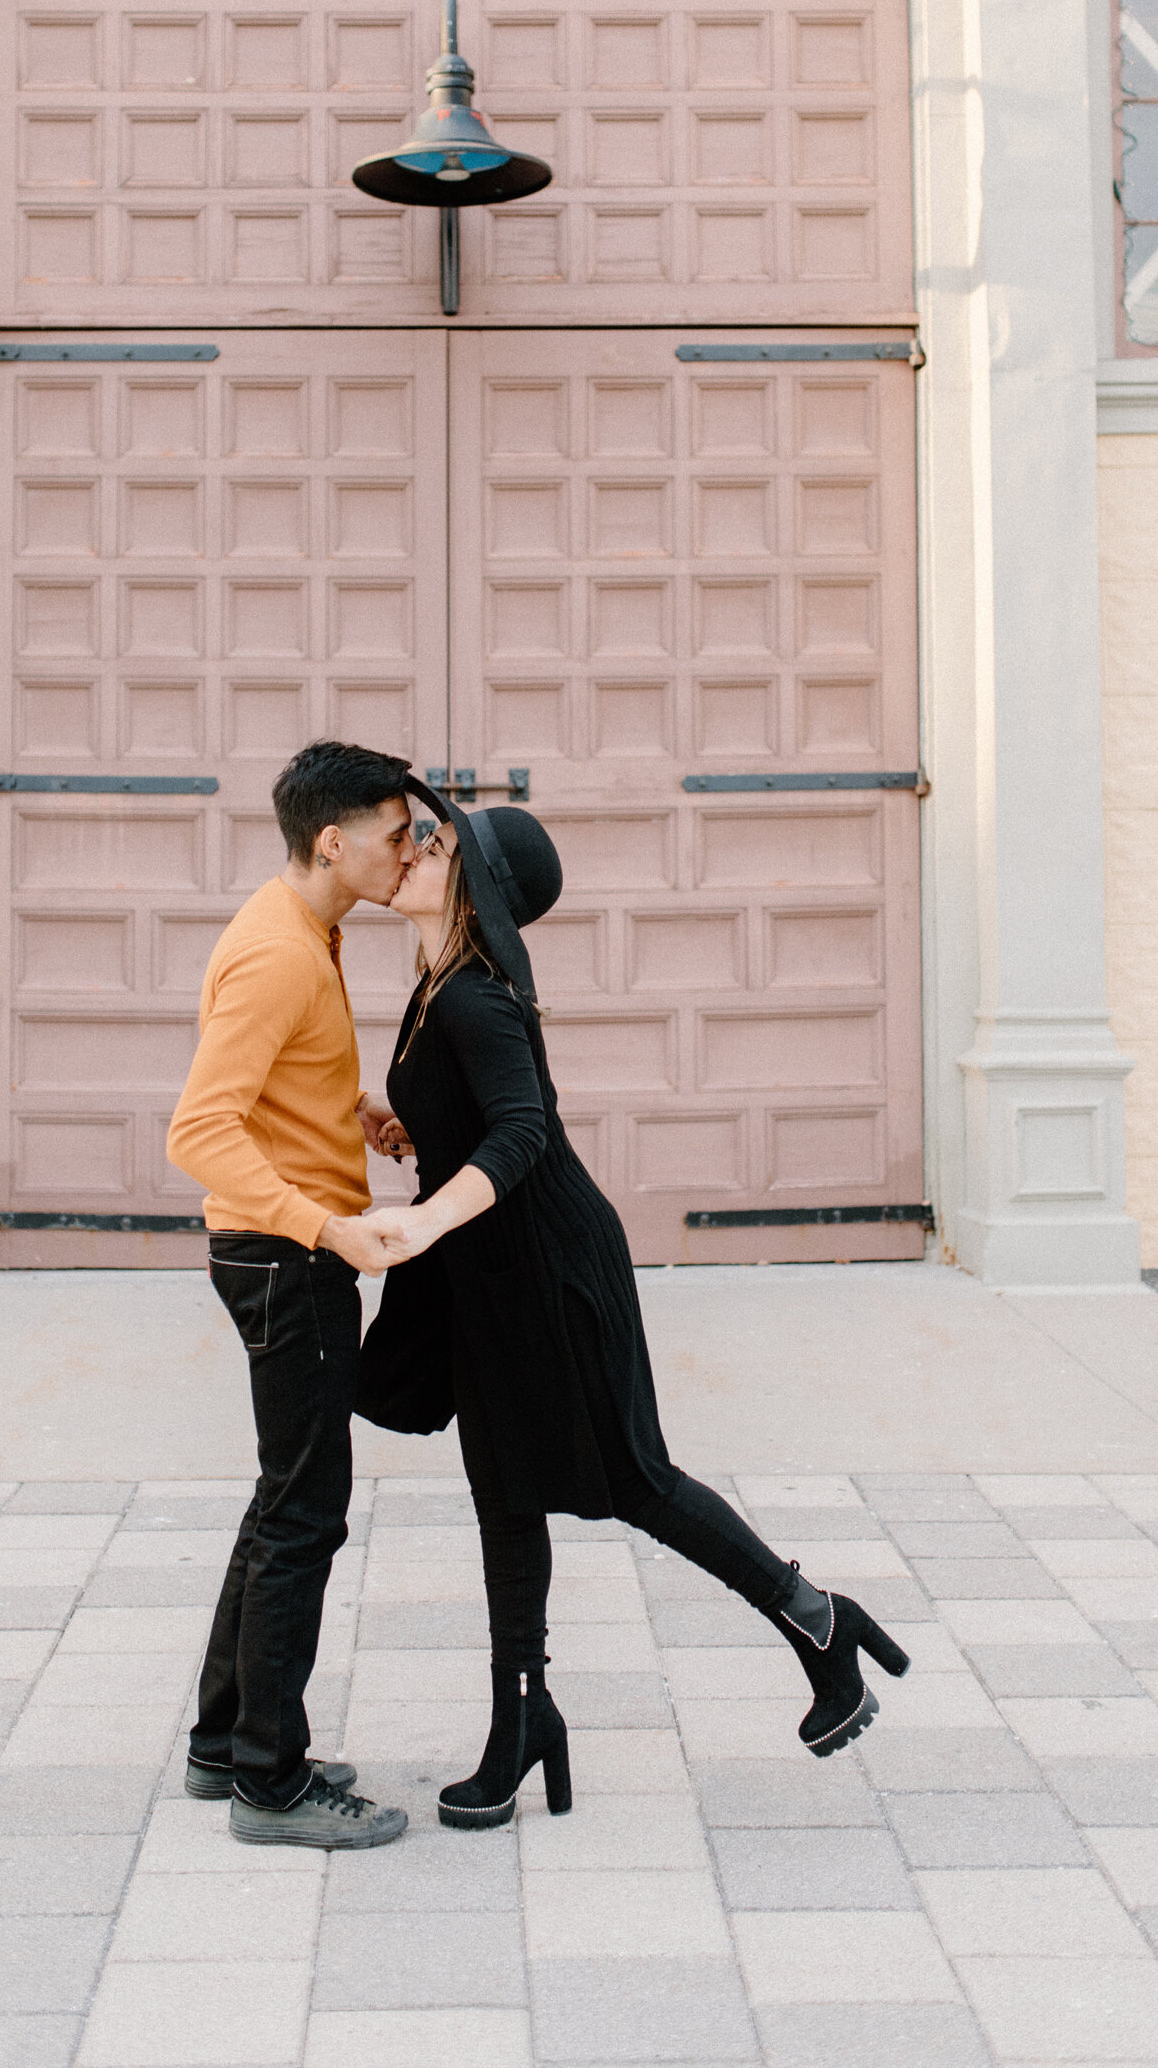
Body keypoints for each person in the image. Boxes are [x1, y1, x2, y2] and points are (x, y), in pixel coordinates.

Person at [363, 785, 910, 1831]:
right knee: (505, 1487)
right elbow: (476, 1121)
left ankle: (817, 1620)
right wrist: (407, 1131)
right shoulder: (439, 982)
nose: (411, 848)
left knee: (632, 1478)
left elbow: (521, 1132)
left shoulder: (475, 996)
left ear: (474, 886)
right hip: (493, 1276)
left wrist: (428, 1220)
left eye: (432, 841)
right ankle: (522, 1713)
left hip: (551, 1270)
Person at [165, 740, 417, 1851]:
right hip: (289, 1261)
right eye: (394, 833)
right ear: (334, 840)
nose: (408, 852)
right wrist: (332, 1231)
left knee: (282, 1502)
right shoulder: (278, 951)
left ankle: (227, 1746)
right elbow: (201, 1127)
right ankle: (274, 1780)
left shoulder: (301, 930)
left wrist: (346, 1103)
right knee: (308, 1515)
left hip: (283, 1252)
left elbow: (268, 1080)